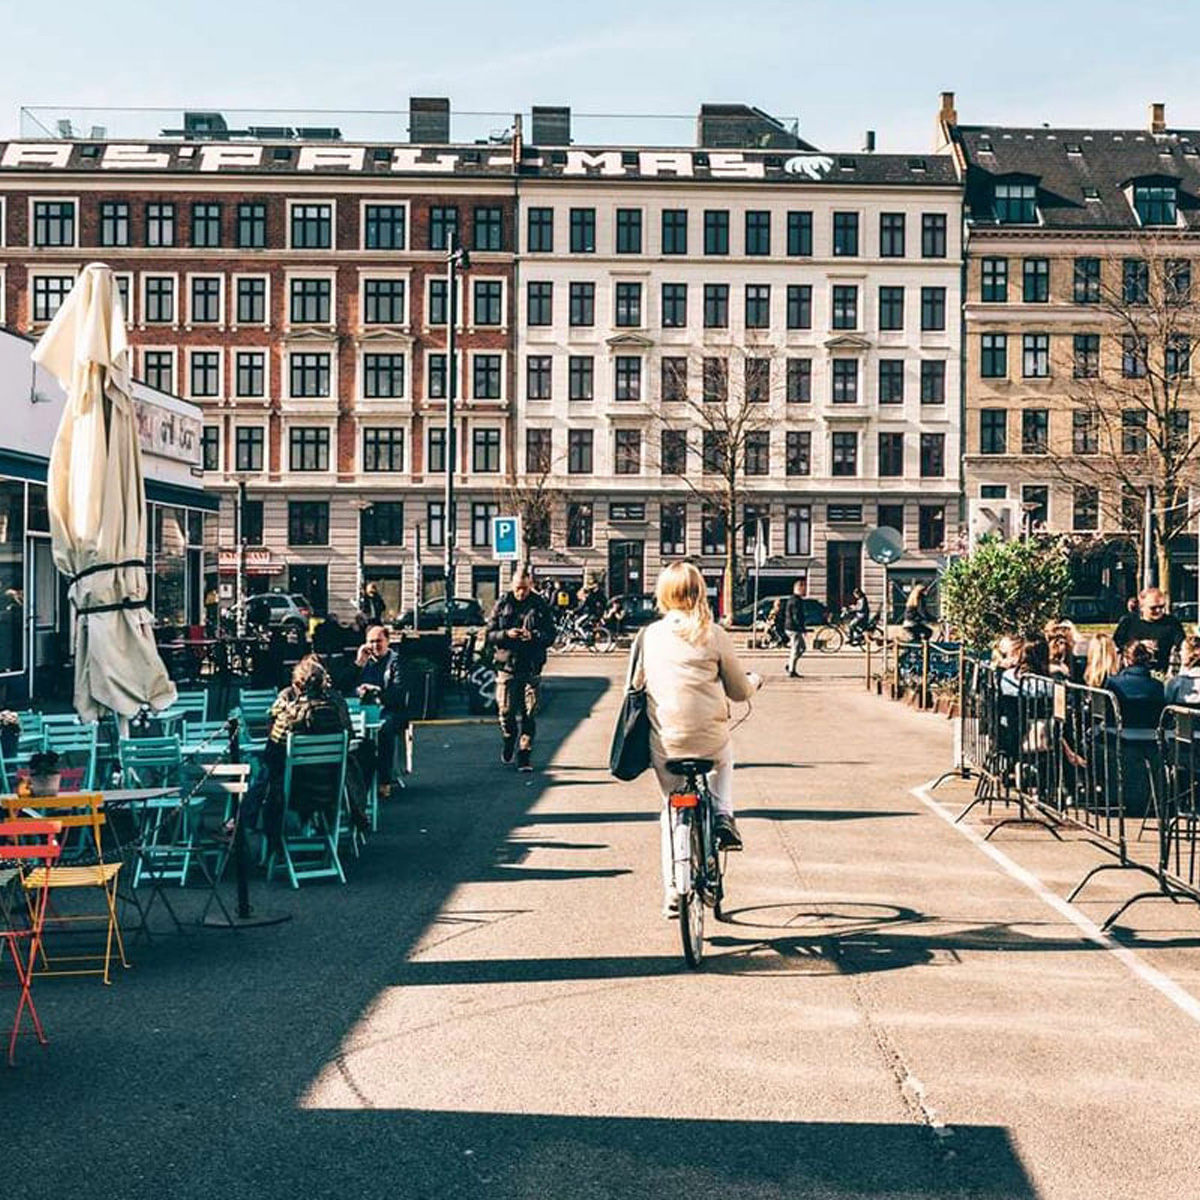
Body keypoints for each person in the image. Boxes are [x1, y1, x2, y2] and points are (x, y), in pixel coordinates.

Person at [632, 561, 763, 917]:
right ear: (700, 592)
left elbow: (636, 686)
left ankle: (674, 889)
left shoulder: (649, 636)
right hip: (708, 739)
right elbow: (738, 691)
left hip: (667, 743)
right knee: (724, 755)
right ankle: (723, 814)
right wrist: (755, 681)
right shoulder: (714, 633)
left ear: (663, 594)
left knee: (671, 810)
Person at [250, 655, 369, 843]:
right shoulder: (336, 709)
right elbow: (348, 741)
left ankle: (249, 828)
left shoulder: (289, 717)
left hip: (295, 791)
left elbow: (272, 754)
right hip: (331, 788)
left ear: (297, 684)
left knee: (265, 772)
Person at [485, 565, 557, 771]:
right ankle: (509, 737)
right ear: (512, 586)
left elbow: (551, 635)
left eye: (525, 588)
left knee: (529, 713)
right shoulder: (503, 603)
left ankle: (524, 754)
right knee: (506, 711)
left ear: (531, 586)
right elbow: (489, 634)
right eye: (518, 588)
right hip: (507, 666)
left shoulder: (539, 604)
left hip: (531, 666)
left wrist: (533, 636)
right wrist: (506, 634)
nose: (521, 593)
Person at [1105, 640, 1165, 817]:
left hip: (1120, 733)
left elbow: (1107, 711)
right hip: (1150, 735)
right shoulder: (1157, 686)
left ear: (1126, 660)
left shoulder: (1113, 683)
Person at [354, 625, 407, 797]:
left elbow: (399, 693)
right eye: (371, 641)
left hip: (391, 710)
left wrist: (377, 692)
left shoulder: (396, 662)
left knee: (384, 730)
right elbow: (344, 685)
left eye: (379, 641)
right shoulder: (364, 661)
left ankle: (385, 780)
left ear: (387, 641)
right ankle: (357, 780)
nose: (375, 645)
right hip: (364, 710)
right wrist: (358, 664)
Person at [1113, 588, 1185, 673]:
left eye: (1162, 607)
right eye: (1153, 608)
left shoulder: (1171, 623)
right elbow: (1115, 645)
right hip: (1131, 672)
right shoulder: (1128, 622)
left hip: (1160, 671)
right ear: (1142, 607)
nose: (1158, 611)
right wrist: (1138, 646)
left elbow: (1183, 645)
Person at [1166, 635, 1200, 705]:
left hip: (1179, 715)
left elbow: (1166, 702)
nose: (1180, 653)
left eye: (1182, 649)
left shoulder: (1175, 682)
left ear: (1191, 654)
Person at [783, 579, 807, 677]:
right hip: (794, 628)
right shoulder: (796, 600)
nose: (805, 589)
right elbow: (796, 616)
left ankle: (790, 665)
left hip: (791, 627)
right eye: (804, 587)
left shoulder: (792, 599)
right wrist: (801, 628)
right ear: (799, 588)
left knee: (802, 648)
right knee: (796, 649)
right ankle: (791, 670)